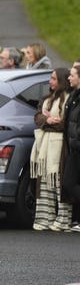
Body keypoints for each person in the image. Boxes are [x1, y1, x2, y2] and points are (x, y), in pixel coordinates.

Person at [31, 68, 73, 231]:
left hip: (59, 147)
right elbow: (37, 117)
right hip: (43, 148)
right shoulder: (47, 99)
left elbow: (66, 125)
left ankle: (63, 219)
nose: (50, 81)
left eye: (54, 79)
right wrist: (48, 120)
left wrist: (50, 123)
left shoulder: (69, 99)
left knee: (58, 181)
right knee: (44, 182)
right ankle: (44, 218)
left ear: (62, 80)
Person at [62, 65, 80, 232]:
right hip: (73, 147)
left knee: (69, 183)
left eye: (72, 75)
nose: (69, 78)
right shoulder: (74, 96)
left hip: (77, 146)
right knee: (71, 183)